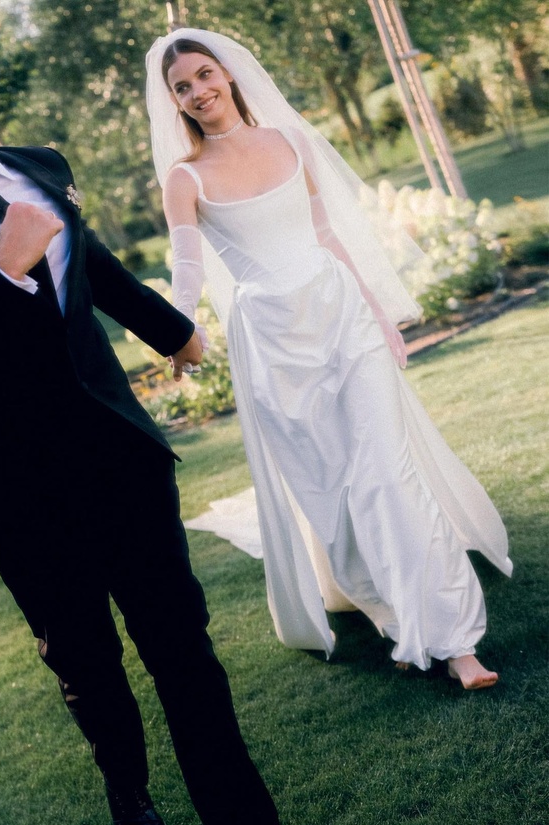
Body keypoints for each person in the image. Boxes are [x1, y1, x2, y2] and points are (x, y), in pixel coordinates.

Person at [0, 17, 307, 825]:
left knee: (185, 656)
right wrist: (3, 268)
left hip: (120, 460)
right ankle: (126, 786)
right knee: (90, 669)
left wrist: (172, 331)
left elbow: (89, 265)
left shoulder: (41, 167)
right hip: (22, 498)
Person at [146, 28, 512, 691]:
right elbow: (188, 265)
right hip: (274, 344)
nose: (198, 91)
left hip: (343, 318)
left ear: (228, 73)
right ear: (174, 100)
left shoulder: (290, 141)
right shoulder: (185, 177)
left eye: (204, 74)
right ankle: (394, 614)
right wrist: (178, 328)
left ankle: (458, 642)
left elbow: (325, 235)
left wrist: (379, 315)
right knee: (332, 491)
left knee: (389, 474)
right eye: (182, 86)